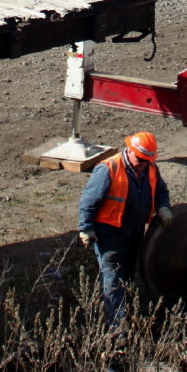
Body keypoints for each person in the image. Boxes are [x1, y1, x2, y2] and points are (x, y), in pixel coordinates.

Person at [78, 130, 172, 328]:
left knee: (127, 277)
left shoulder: (150, 169)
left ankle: (125, 315)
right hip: (110, 235)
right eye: (141, 159)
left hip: (135, 233)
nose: (144, 164)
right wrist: (85, 228)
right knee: (113, 280)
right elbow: (89, 201)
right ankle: (118, 331)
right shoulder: (108, 168)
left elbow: (161, 191)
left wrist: (164, 207)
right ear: (129, 151)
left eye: (147, 160)